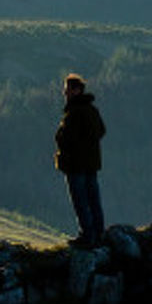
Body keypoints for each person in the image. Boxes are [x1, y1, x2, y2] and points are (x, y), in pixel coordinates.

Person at [54, 72, 107, 247]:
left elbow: (66, 138)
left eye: (67, 89)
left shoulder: (74, 113)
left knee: (81, 202)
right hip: (91, 164)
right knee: (93, 199)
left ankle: (88, 236)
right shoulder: (92, 110)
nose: (65, 93)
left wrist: (66, 149)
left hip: (75, 165)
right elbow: (101, 131)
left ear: (76, 90)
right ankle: (99, 234)